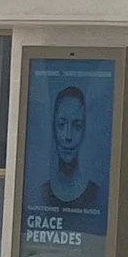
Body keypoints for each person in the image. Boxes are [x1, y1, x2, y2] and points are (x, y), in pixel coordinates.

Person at [40, 85, 104, 214]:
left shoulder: (97, 196)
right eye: (61, 124)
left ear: (85, 130)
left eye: (77, 126)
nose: (68, 136)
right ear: (53, 127)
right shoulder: (40, 194)